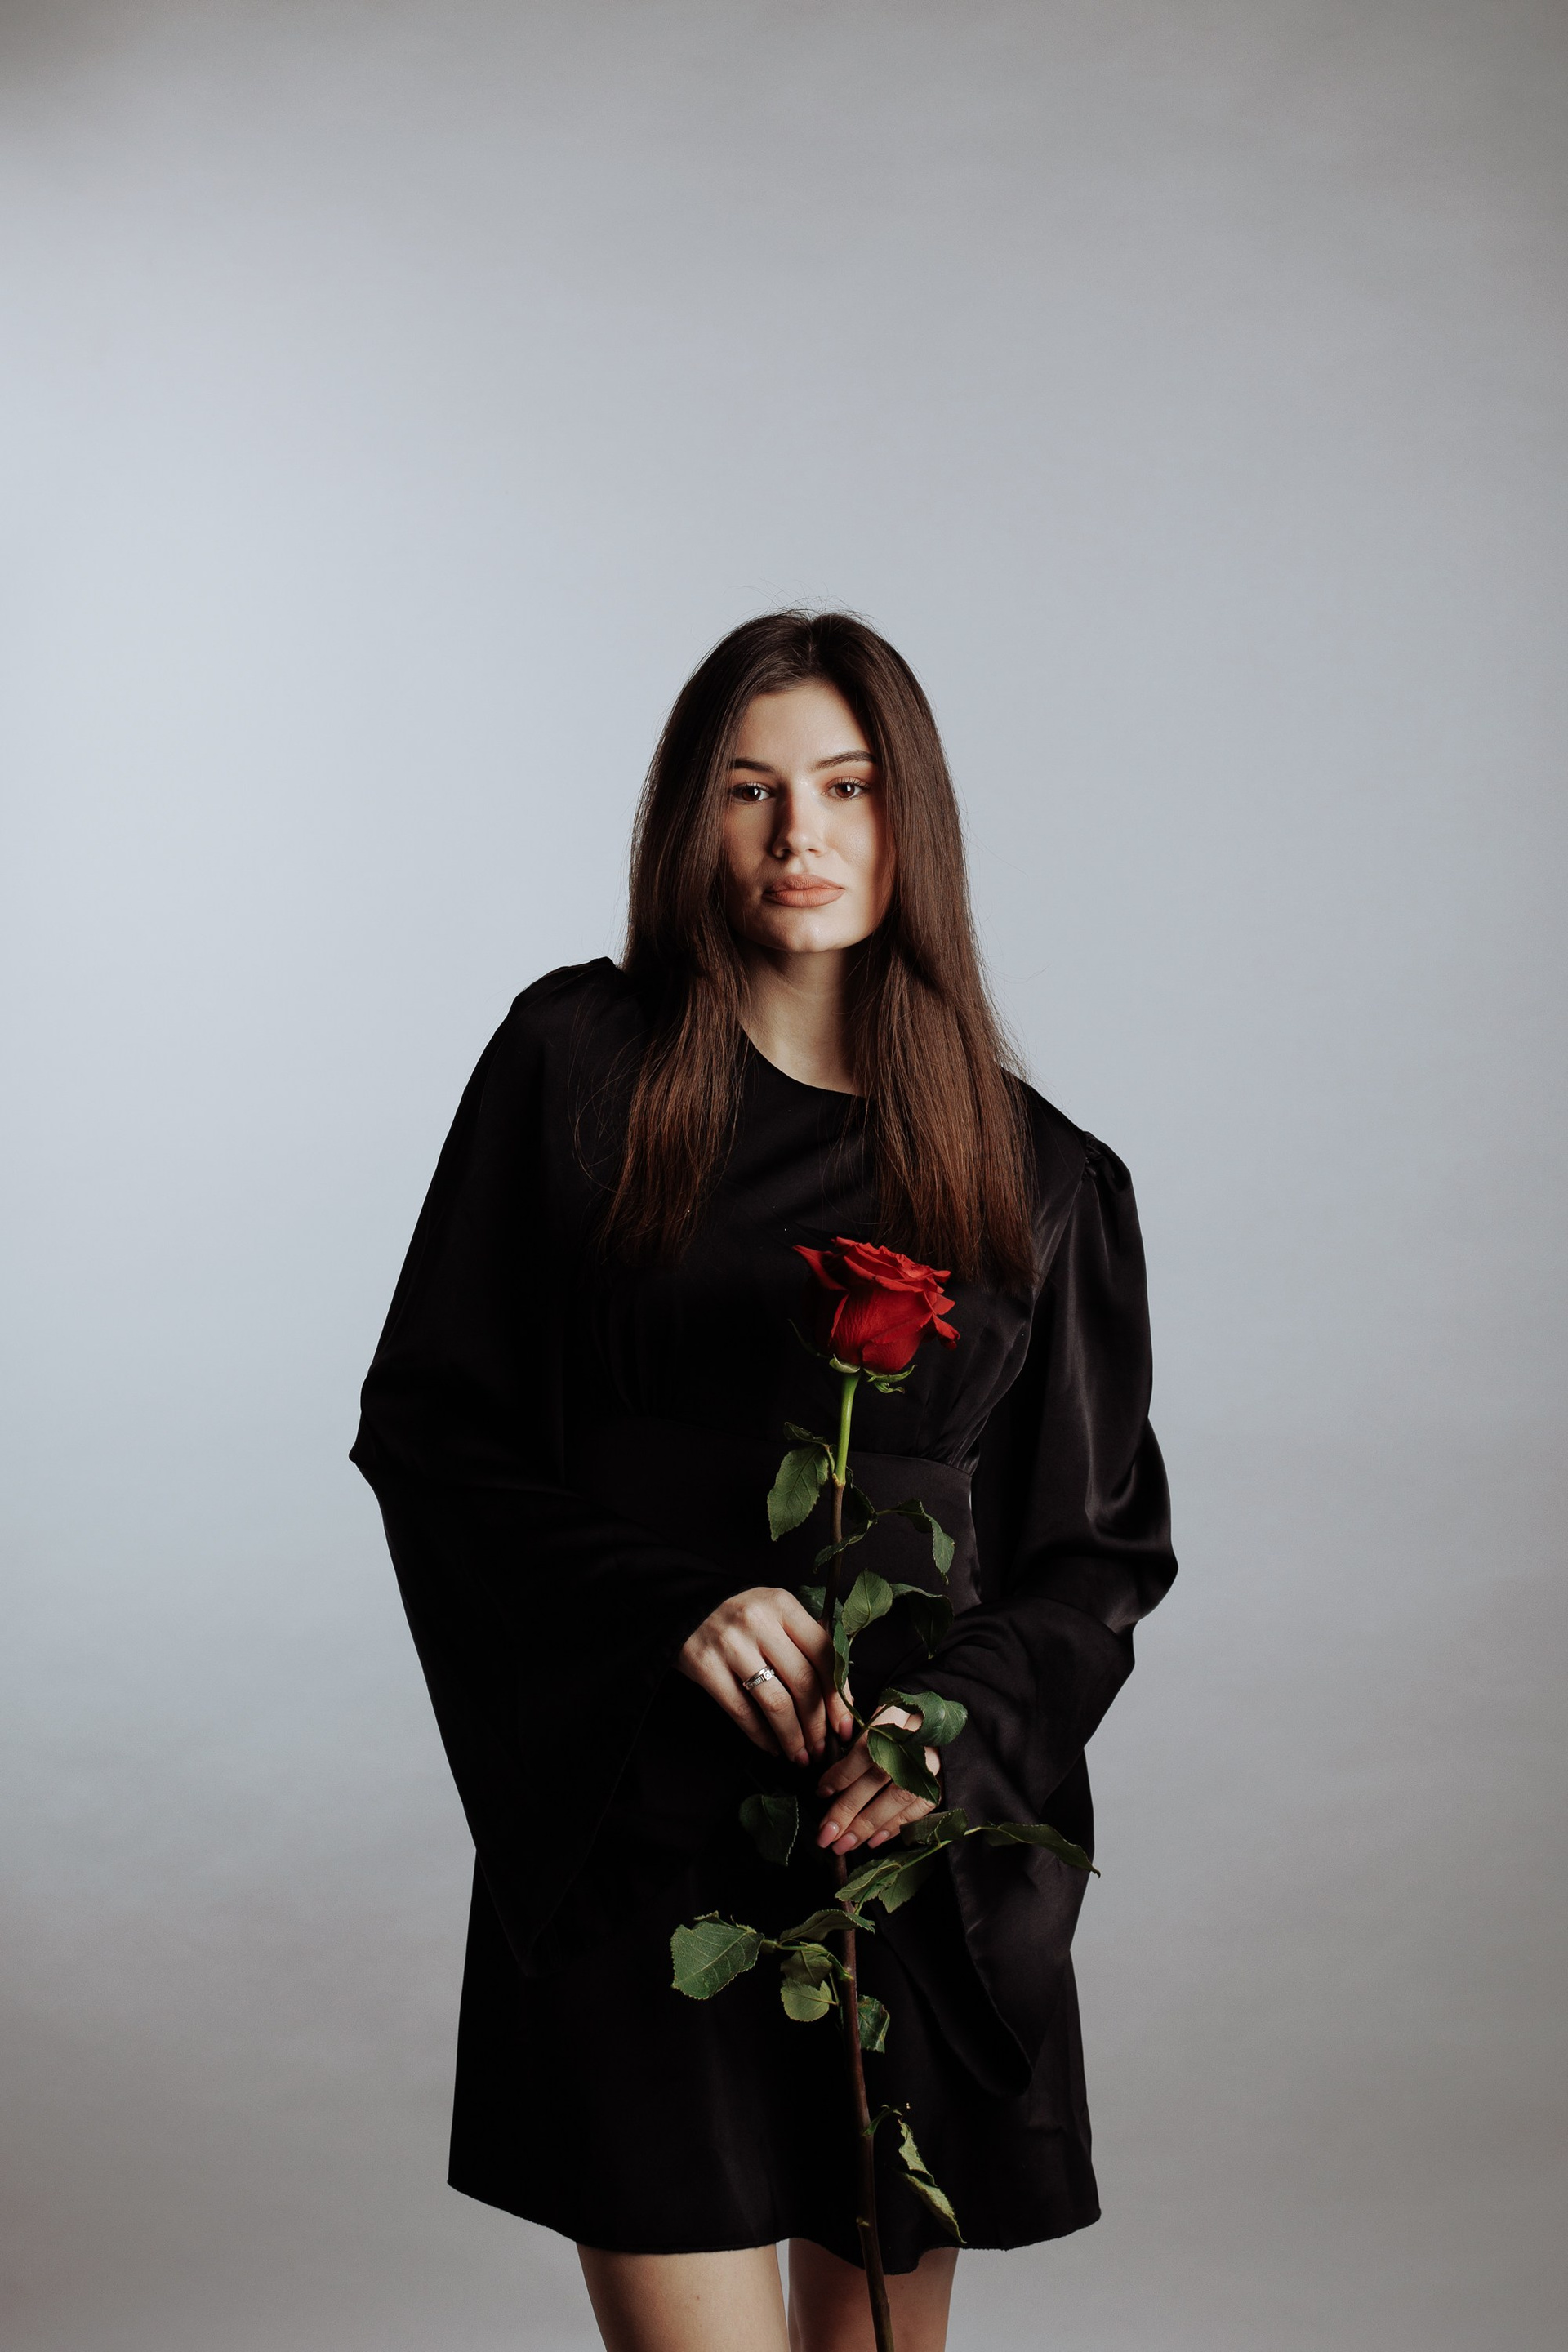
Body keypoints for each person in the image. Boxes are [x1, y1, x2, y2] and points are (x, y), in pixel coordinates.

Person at [350, 611, 1177, 2352]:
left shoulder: (1044, 1179)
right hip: (645, 1839)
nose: (800, 835)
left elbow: (1094, 1561)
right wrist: (669, 1609)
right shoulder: (579, 1067)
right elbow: (433, 1426)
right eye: (751, 790)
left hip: (903, 1848)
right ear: (693, 820)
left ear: (911, 819)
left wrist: (948, 1728)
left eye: (847, 788)